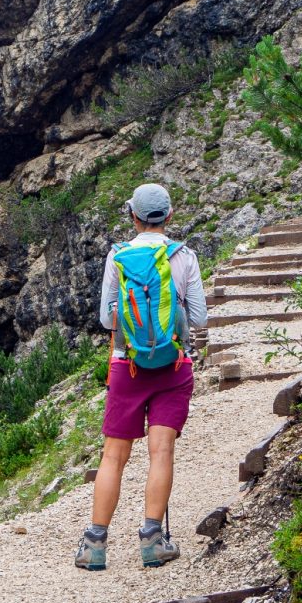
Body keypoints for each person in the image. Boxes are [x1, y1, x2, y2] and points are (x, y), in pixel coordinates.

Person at [75, 182, 207, 571]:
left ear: (132, 215)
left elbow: (105, 318)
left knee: (113, 456)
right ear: (169, 216)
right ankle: (152, 540)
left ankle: (95, 546)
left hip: (126, 365)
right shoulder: (184, 256)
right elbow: (198, 319)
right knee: (161, 451)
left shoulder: (117, 256)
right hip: (173, 366)